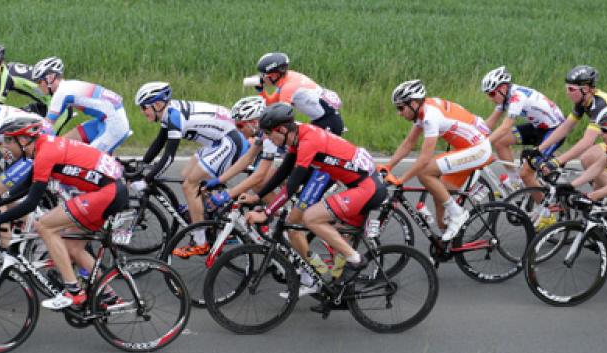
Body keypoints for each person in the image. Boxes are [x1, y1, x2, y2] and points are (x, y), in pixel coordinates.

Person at [0, 116, 129, 310]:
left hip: (107, 193)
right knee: (73, 248)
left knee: (44, 226)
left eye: (9, 141)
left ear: (23, 140)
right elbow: (27, 184)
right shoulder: (44, 146)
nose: (5, 146)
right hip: (111, 191)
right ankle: (108, 296)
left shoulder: (46, 153)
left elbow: (30, 204)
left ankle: (74, 291)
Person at [241, 103, 386, 290]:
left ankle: (356, 260)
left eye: (269, 133)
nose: (267, 138)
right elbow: (283, 172)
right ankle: (340, 291)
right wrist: (257, 196)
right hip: (361, 184)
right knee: (337, 248)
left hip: (366, 189)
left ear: (282, 129)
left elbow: (292, 184)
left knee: (311, 218)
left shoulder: (309, 141)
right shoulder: (298, 134)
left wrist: (267, 213)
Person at [133, 81, 248, 257]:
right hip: (216, 141)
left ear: (157, 104)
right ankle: (207, 215)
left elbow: (169, 157)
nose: (142, 112)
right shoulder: (168, 112)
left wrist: (146, 179)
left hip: (230, 141)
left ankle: (200, 241)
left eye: (144, 107)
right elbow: (159, 142)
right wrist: (142, 165)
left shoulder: (174, 117)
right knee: (186, 174)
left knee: (190, 185)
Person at [381, 79, 492, 240]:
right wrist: (387, 166)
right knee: (438, 191)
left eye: (400, 107)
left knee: (425, 172)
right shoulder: (422, 109)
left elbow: (424, 159)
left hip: (478, 149)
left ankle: (458, 214)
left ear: (413, 103)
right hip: (466, 148)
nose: (399, 113)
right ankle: (447, 240)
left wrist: (401, 179)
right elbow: (409, 143)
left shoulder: (430, 117)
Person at [561, 106, 607, 288]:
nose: (601, 134)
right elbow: (598, 166)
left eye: (605, 130)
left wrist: (592, 195)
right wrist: (572, 185)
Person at [529, 66, 607, 189]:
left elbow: (587, 141)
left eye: (571, 89)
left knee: (589, 157)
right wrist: (539, 149)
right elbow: (565, 127)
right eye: (567, 88)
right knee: (596, 184)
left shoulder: (599, 105)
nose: (567, 93)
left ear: (585, 89)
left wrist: (558, 161)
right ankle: (603, 196)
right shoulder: (583, 102)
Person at [481, 66, 565, 191]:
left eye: (492, 93)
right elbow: (489, 123)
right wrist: (473, 136)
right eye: (488, 94)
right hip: (538, 127)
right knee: (500, 141)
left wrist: (483, 144)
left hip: (555, 131)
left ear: (503, 88)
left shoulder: (517, 97)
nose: (490, 98)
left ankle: (544, 203)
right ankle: (515, 182)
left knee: (526, 173)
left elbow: (505, 127)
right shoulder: (505, 96)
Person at [32, 56, 130, 154]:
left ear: (50, 78)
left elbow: (46, 126)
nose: (38, 86)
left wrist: (28, 140)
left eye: (40, 81)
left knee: (89, 158)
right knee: (62, 147)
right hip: (106, 120)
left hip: (114, 124)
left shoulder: (61, 93)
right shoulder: (67, 86)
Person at [251, 52, 344, 134]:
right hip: (324, 118)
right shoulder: (288, 77)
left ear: (274, 75)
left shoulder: (288, 88)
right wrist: (260, 90)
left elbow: (281, 116)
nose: (261, 78)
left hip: (328, 122)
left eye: (263, 75)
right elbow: (271, 103)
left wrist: (259, 127)